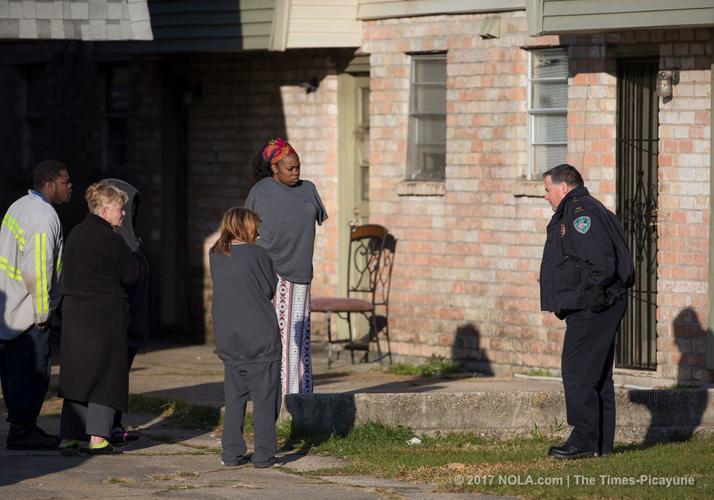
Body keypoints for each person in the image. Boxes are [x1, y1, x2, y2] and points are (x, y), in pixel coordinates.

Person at [539, 164, 634, 460]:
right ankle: (600, 444)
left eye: (547, 189)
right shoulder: (584, 207)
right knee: (597, 375)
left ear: (563, 187)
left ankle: (583, 439)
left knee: (576, 370)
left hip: (594, 305)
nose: (546, 196)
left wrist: (590, 301)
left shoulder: (580, 212)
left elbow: (599, 264)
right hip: (598, 303)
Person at [57, 182, 140, 455]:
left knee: (77, 372)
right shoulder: (112, 239)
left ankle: (69, 436)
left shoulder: (76, 234)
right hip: (104, 314)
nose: (124, 214)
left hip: (74, 313)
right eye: (120, 208)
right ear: (105, 210)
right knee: (106, 374)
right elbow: (131, 275)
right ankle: (98, 438)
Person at [244, 138, 327, 394]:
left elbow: (315, 220)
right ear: (274, 168)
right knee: (279, 339)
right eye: (290, 168)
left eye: (298, 167)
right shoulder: (260, 191)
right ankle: (280, 399)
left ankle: (302, 396)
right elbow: (247, 232)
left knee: (299, 340)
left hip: (301, 271)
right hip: (273, 273)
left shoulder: (308, 189)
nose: (296, 172)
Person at [0, 160, 72, 450]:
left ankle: (22, 426)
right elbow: (38, 271)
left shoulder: (19, 206)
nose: (70, 187)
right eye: (66, 181)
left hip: (10, 309)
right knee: (34, 372)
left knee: (14, 372)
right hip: (29, 312)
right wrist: (43, 315)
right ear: (50, 183)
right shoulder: (43, 218)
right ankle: (22, 430)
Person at [210, 207, 281, 468]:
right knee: (265, 400)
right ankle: (263, 455)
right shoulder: (257, 253)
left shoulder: (216, 253)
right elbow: (269, 288)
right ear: (245, 227)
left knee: (234, 399)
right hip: (259, 337)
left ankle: (231, 453)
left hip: (229, 338)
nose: (259, 231)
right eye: (256, 226)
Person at [103, 178, 151, 444]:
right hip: (121, 322)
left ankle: (115, 423)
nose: (128, 213)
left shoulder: (132, 238)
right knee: (113, 378)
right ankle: (107, 426)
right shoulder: (116, 241)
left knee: (121, 377)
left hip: (133, 323)